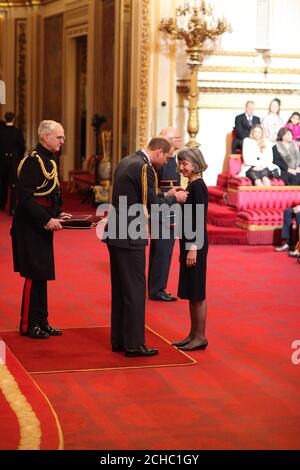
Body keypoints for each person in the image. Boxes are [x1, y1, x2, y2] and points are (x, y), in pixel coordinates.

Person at [103, 137, 188, 357]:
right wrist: (174, 199)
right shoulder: (144, 168)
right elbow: (153, 205)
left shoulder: (128, 160)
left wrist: (165, 194)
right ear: (159, 151)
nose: (166, 163)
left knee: (121, 289)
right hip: (131, 234)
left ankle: (120, 340)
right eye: (167, 158)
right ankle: (134, 344)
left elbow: (141, 195)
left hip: (117, 232)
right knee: (135, 290)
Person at [11, 120, 71, 339]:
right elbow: (25, 198)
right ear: (45, 137)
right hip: (29, 226)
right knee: (33, 276)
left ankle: (42, 321)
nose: (63, 141)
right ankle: (28, 324)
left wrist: (57, 213)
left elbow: (51, 192)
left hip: (42, 224)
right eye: (59, 137)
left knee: (42, 275)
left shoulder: (48, 160)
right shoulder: (31, 161)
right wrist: (46, 219)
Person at [172, 148, 209, 352]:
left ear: (195, 164)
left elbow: (200, 220)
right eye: (180, 163)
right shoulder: (191, 185)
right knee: (191, 290)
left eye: (184, 163)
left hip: (196, 244)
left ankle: (200, 337)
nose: (181, 167)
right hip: (189, 243)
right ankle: (192, 334)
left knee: (197, 292)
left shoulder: (199, 187)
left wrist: (193, 248)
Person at [148, 127, 182, 301]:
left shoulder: (170, 160)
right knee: (162, 251)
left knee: (159, 251)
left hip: (160, 208)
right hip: (165, 211)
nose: (180, 140)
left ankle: (155, 287)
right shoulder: (168, 162)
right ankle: (157, 289)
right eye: (177, 138)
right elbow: (168, 189)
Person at [0, 112, 25, 213]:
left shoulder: (1, 131)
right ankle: (13, 208)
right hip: (14, 161)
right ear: (14, 119)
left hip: (2, 161)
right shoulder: (18, 131)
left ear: (5, 119)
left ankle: (1, 204)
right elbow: (22, 147)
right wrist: (19, 158)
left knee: (3, 183)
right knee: (14, 184)